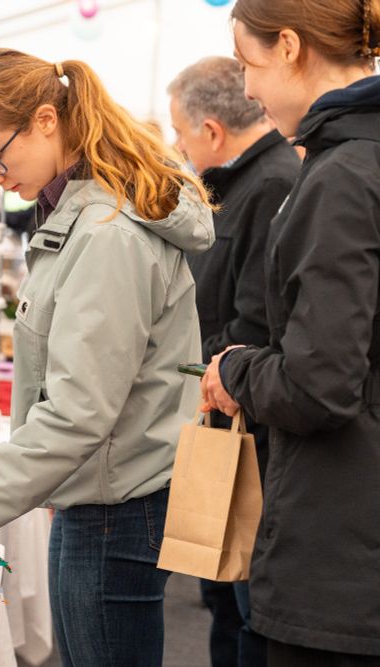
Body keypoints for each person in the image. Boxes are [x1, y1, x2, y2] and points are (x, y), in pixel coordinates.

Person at [0, 48, 214, 666]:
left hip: (116, 505)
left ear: (45, 121)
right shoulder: (82, 215)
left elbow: (79, 411)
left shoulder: (104, 234)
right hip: (104, 492)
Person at [201, 1, 380, 665]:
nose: (247, 88)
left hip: (340, 563)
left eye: (249, 65)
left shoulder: (341, 177)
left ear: (288, 47)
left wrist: (237, 367)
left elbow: (320, 383)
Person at [168, 55, 300, 667]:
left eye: (179, 131)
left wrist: (206, 365)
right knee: (227, 600)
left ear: (211, 131)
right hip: (234, 413)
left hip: (250, 426)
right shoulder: (246, 183)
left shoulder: (269, 184)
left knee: (244, 610)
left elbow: (258, 320)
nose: (177, 144)